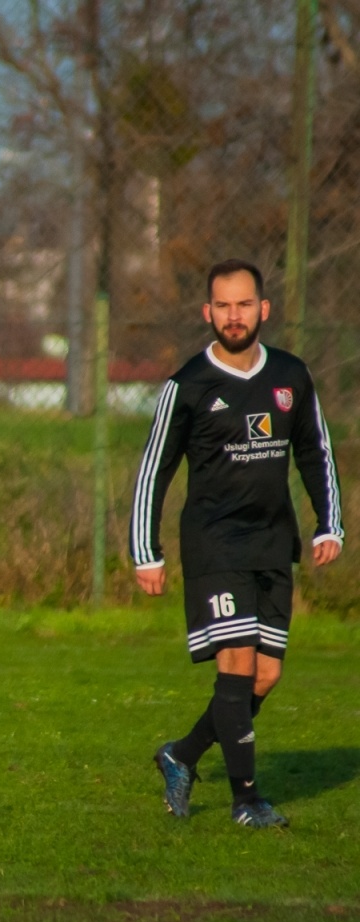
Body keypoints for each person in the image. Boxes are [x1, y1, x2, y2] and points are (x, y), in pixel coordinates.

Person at [131, 259, 343, 829]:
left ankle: (182, 753)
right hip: (214, 545)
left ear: (263, 309)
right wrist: (144, 551)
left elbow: (315, 451)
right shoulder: (187, 386)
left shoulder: (292, 377)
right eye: (222, 306)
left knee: (266, 677)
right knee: (237, 666)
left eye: (244, 304)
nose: (233, 315)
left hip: (273, 544)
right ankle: (247, 800)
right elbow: (155, 469)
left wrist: (329, 523)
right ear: (208, 313)